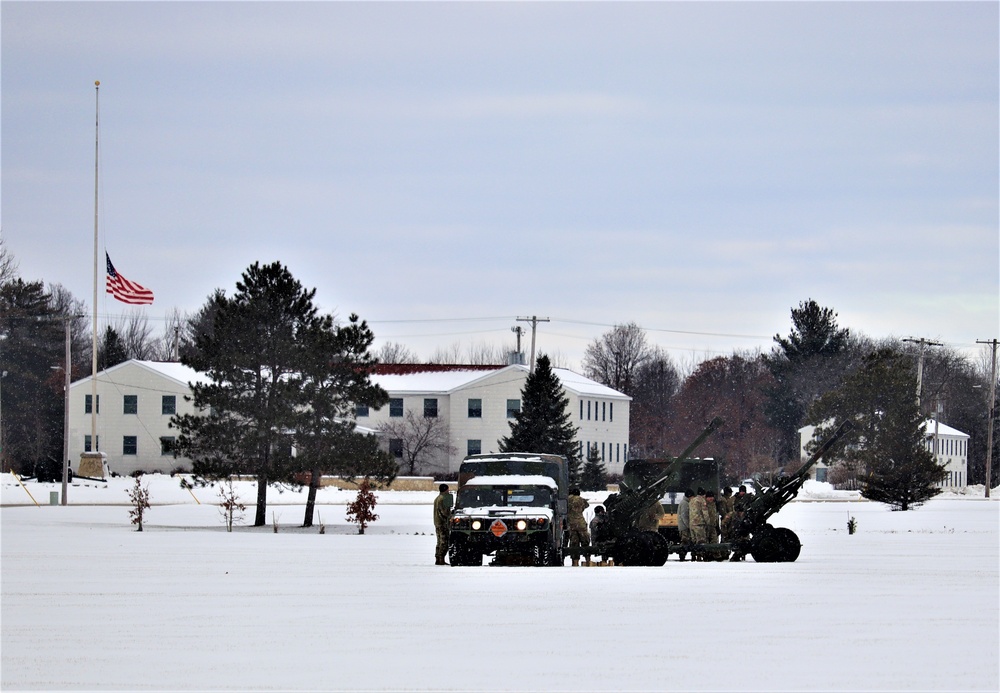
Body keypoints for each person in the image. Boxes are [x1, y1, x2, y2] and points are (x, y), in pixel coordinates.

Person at [567, 487, 590, 566]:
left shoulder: (567, 499)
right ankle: (587, 560)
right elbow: (586, 505)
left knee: (574, 542)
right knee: (585, 541)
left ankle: (575, 561)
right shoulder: (581, 499)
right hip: (581, 523)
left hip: (571, 524)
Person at [433, 483, 453, 565]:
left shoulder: (437, 498)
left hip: (437, 522)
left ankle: (438, 558)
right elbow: (444, 512)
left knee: (439, 541)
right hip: (442, 523)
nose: (449, 491)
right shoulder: (442, 499)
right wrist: (450, 516)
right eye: (448, 489)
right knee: (444, 541)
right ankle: (441, 559)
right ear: (445, 490)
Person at [688, 488, 708, 558]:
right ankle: (700, 555)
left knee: (694, 541)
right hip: (699, 524)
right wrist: (707, 522)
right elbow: (705, 513)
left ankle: (694, 555)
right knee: (701, 541)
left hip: (691, 523)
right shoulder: (702, 501)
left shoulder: (692, 500)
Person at [677, 488, 694, 561]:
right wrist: (689, 525)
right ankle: (682, 555)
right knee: (685, 541)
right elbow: (684, 516)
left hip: (683, 526)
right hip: (684, 527)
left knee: (685, 541)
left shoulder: (684, 502)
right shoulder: (685, 503)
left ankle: (682, 555)